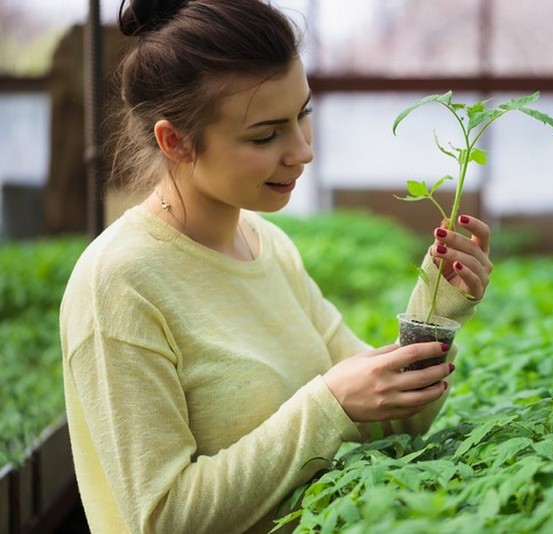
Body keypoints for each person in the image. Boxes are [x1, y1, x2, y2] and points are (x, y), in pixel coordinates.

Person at [59, 1, 492, 532]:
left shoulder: (269, 246)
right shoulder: (119, 283)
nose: (302, 150)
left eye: (302, 114)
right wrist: (329, 404)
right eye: (265, 135)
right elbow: (163, 517)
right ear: (175, 141)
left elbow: (398, 419)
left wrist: (438, 309)